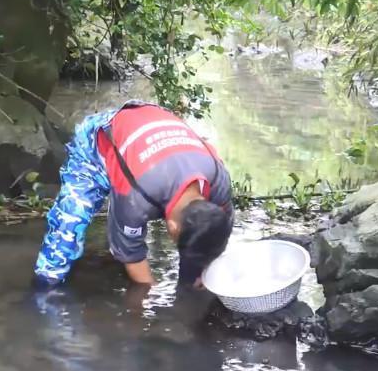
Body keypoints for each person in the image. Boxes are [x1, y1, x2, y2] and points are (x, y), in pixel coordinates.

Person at [34, 100, 234, 287]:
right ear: (171, 227)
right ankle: (45, 286)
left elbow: (212, 239)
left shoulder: (220, 183)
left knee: (195, 257)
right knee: (68, 227)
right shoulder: (137, 197)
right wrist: (152, 303)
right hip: (100, 140)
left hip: (148, 128)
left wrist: (200, 276)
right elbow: (132, 254)